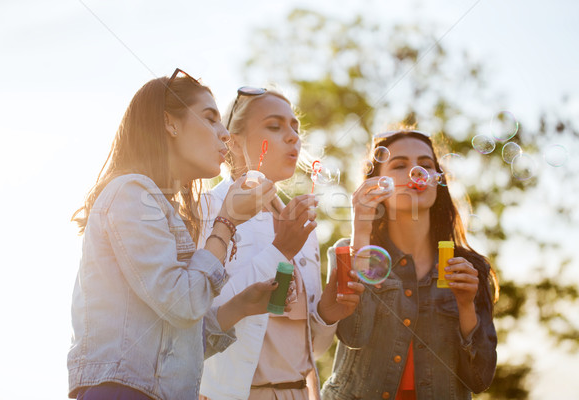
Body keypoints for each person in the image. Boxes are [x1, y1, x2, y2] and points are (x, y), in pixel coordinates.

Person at [67, 69, 280, 400]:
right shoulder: (131, 192)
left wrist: (240, 305)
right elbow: (184, 304)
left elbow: (174, 341)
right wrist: (227, 220)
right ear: (171, 123)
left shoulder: (162, 209)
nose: (225, 134)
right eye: (210, 118)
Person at [198, 87, 365, 400]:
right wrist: (280, 251)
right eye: (274, 126)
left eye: (295, 128)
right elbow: (201, 322)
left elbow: (311, 348)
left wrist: (328, 313)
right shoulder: (206, 211)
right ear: (232, 141)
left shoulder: (298, 221)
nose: (293, 137)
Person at [321, 128, 498, 400]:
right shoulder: (348, 251)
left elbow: (479, 379)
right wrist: (361, 226)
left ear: (438, 182)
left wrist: (466, 306)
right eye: (400, 165)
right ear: (378, 184)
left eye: (425, 166)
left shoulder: (469, 268)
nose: (416, 173)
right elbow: (353, 335)